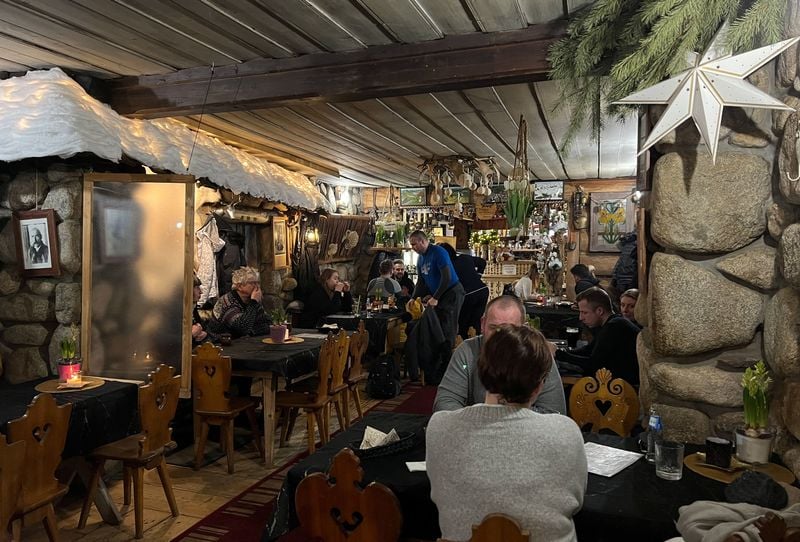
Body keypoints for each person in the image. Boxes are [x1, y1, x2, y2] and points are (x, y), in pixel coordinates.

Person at [427, 325, 587, 542]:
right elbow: (577, 501)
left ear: (482, 373)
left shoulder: (439, 427)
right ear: (539, 386)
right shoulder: (566, 432)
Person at [434, 295, 566, 414]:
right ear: (482, 324)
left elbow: (554, 411)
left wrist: (501, 420)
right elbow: (444, 404)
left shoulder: (537, 354)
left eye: (508, 330)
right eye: (493, 328)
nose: (499, 337)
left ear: (524, 328)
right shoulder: (467, 351)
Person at [555, 286, 641, 385]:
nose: (581, 318)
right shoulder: (612, 323)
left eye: (584, 312)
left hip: (626, 388)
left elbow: (594, 365)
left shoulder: (615, 326)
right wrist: (560, 352)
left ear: (600, 311)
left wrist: (559, 354)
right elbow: (588, 350)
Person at [409, 231, 465, 381]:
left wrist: (436, 297)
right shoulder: (420, 258)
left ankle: (448, 370)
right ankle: (436, 368)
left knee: (447, 329)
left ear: (422, 241)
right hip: (439, 295)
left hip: (452, 292)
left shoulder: (438, 252)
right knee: (436, 329)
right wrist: (413, 298)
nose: (412, 247)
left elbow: (446, 277)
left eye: (414, 244)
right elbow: (421, 281)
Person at [438, 242, 489, 339]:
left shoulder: (448, 266)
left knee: (463, 324)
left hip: (468, 295)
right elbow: (482, 262)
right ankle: (478, 343)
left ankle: (465, 344)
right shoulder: (464, 258)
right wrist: (478, 275)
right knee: (476, 322)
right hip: (482, 290)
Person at [210, 266, 271, 338]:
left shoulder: (252, 299)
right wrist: (253, 302)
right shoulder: (227, 301)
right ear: (239, 286)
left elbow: (268, 324)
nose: (257, 286)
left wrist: (251, 332)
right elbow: (242, 328)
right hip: (220, 341)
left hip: (242, 341)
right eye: (253, 283)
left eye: (258, 283)